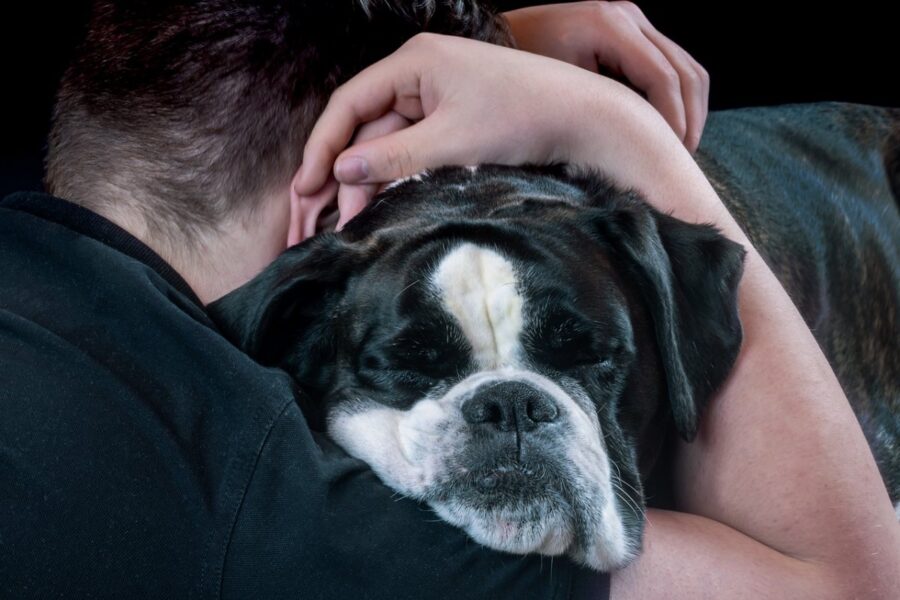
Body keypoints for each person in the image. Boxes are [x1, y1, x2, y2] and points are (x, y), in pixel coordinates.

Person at [0, 3, 895, 600]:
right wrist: (614, 128)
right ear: (340, 190)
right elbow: (853, 585)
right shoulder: (268, 506)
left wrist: (504, 32)